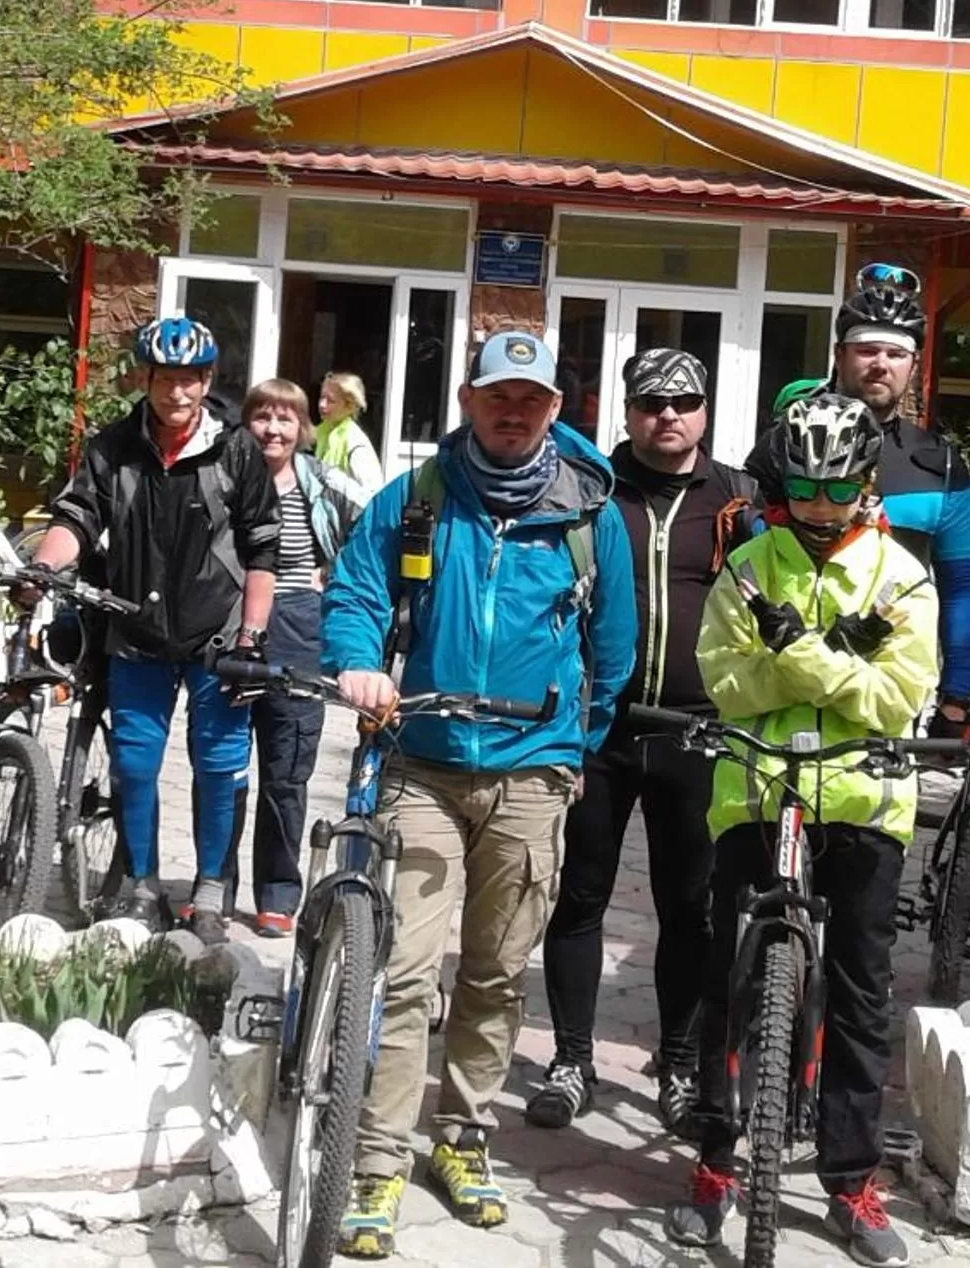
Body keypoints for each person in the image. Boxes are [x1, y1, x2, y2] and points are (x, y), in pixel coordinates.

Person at [321, 329, 634, 1258]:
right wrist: (357, 665)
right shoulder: (417, 495)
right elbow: (357, 592)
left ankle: (462, 1135)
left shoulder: (590, 514)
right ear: (467, 400)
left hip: (533, 768)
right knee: (405, 967)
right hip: (420, 759)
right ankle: (377, 1157)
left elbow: (614, 648)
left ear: (555, 409)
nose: (512, 412)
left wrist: (572, 747)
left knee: (497, 971)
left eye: (531, 399)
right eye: (497, 395)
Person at [671, 390, 937, 1265]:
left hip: (863, 799)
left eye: (839, 489)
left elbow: (897, 698)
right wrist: (837, 662)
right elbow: (725, 683)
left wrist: (795, 654)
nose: (821, 508)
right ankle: (715, 1161)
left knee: (862, 994)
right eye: (806, 490)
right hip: (756, 787)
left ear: (867, 485)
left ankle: (850, 1179)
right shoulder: (749, 568)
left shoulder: (903, 576)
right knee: (728, 982)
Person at [530, 346, 756, 1136]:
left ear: (705, 410)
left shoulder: (738, 498)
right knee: (580, 894)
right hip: (602, 724)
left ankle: (681, 1066)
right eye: (652, 402)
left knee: (689, 908)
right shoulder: (589, 486)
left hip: (697, 729)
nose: (668, 415)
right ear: (626, 411)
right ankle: (571, 1060)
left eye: (683, 402)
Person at [26, 316, 278, 943]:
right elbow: (77, 518)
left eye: (190, 380)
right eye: (166, 379)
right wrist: (43, 567)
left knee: (219, 766)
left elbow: (262, 549)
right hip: (134, 627)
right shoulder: (113, 447)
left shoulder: (237, 450)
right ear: (147, 379)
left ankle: (211, 890)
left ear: (207, 381)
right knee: (135, 764)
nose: (177, 392)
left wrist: (251, 635)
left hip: (218, 632)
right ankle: (142, 885)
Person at [813, 265, 970, 733]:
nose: (880, 364)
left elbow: (962, 588)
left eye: (895, 353)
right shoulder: (786, 445)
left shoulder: (940, 464)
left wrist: (957, 696)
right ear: (839, 355)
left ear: (914, 364)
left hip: (891, 690)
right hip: (792, 676)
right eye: (866, 350)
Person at [243, 377, 366, 935]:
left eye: (285, 418)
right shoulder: (227, 478)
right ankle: (213, 885)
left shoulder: (322, 482)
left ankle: (277, 893)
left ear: (302, 428)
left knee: (286, 771)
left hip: (299, 624)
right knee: (222, 766)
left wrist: (336, 579)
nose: (273, 429)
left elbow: (375, 529)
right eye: (262, 417)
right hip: (231, 621)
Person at [315, 371, 384, 499]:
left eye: (330, 401)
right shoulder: (322, 431)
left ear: (350, 405)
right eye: (321, 397)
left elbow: (372, 494)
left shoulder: (355, 442)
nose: (322, 404)